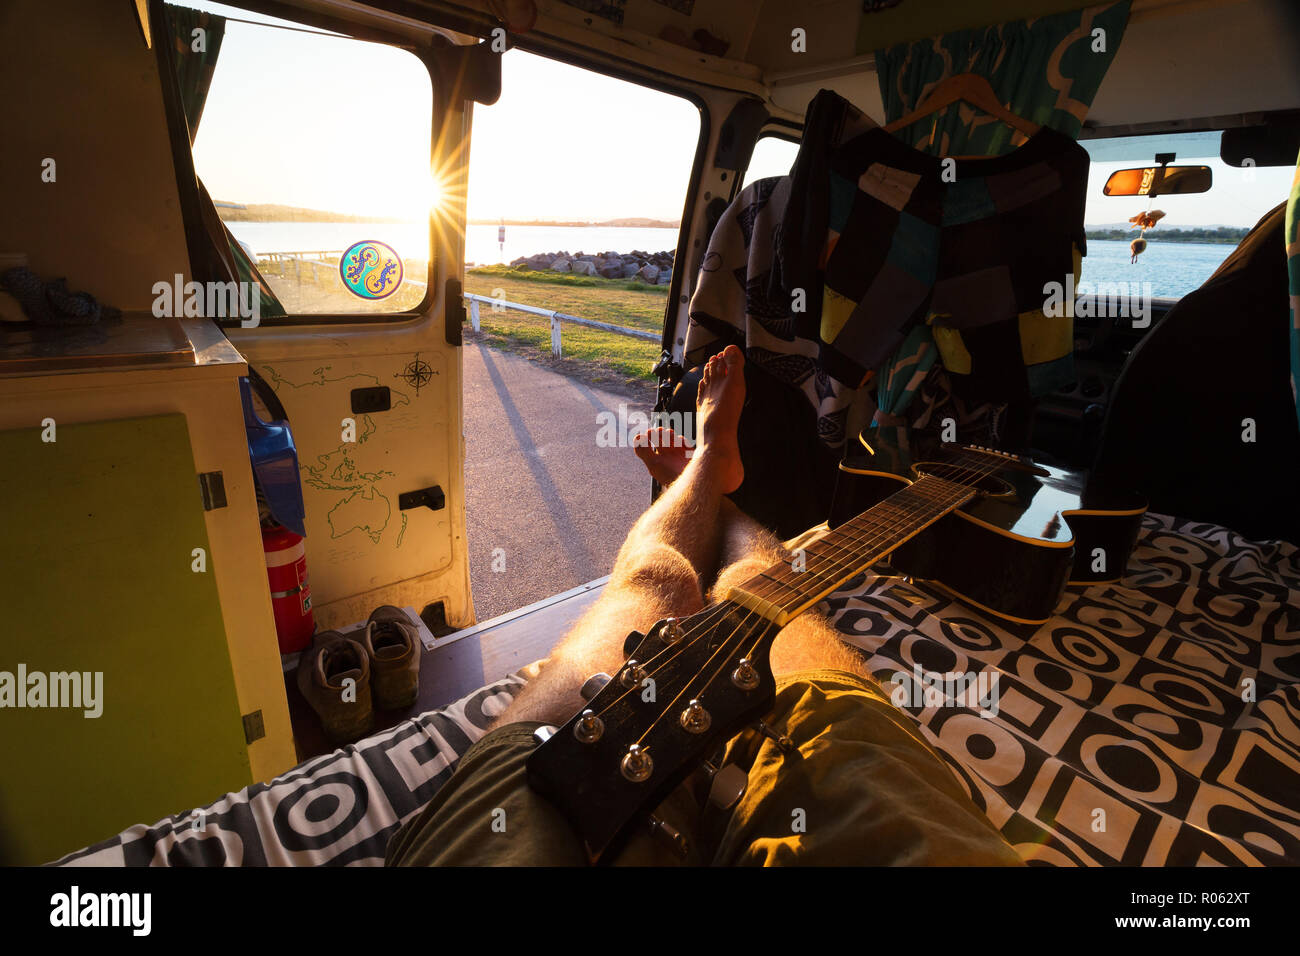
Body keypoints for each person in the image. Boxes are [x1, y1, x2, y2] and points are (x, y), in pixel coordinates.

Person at [386, 345, 1022, 866]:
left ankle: (706, 474)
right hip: (878, 813)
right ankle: (714, 475)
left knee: (655, 584)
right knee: (760, 590)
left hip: (514, 821)